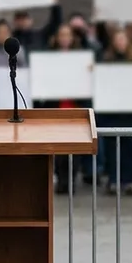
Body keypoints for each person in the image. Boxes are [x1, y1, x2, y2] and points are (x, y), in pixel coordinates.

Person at [39, 22, 95, 192]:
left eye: (67, 35)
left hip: (74, 106)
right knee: (57, 148)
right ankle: (60, 179)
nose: (64, 38)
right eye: (61, 35)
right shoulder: (49, 57)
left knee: (73, 147)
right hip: (56, 106)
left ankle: (71, 180)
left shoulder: (81, 57)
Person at [98, 28, 132, 194]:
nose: (120, 43)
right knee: (112, 148)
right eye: (117, 39)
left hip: (131, 112)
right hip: (112, 112)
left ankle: (129, 179)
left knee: (130, 147)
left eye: (123, 39)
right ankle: (114, 178)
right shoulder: (105, 61)